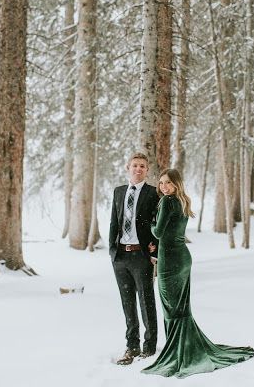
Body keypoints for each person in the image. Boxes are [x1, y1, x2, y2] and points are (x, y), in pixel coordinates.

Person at [142, 168, 254, 379]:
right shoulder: (182, 200)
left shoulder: (168, 201)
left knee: (171, 308)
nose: (163, 186)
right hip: (182, 258)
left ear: (176, 183)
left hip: (171, 261)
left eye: (167, 182)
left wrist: (150, 221)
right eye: (161, 183)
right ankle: (182, 347)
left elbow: (158, 232)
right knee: (181, 307)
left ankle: (178, 352)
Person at [109, 152, 159, 365]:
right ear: (128, 167)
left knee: (146, 301)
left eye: (142, 166)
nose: (138, 169)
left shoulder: (153, 193)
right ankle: (132, 345)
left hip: (141, 255)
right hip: (121, 255)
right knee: (127, 302)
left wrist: (154, 252)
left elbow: (158, 223)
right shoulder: (119, 192)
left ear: (147, 170)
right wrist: (113, 251)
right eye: (135, 165)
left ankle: (149, 347)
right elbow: (114, 222)